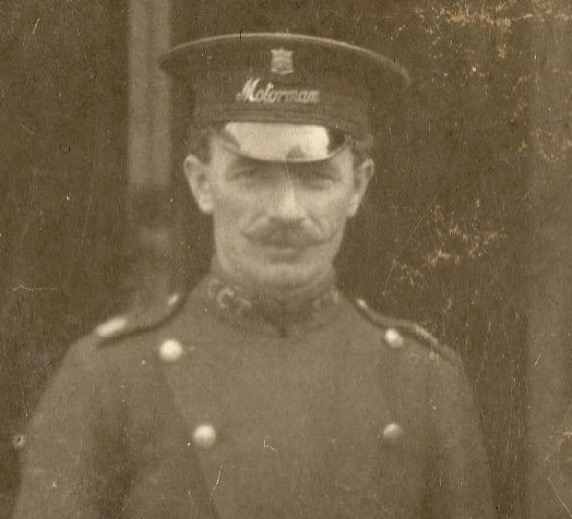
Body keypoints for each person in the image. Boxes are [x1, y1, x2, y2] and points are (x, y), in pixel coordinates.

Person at [13, 33, 493, 518]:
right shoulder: (107, 380)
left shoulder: (424, 382)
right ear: (202, 183)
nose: (286, 210)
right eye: (252, 175)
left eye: (316, 178)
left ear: (357, 187)